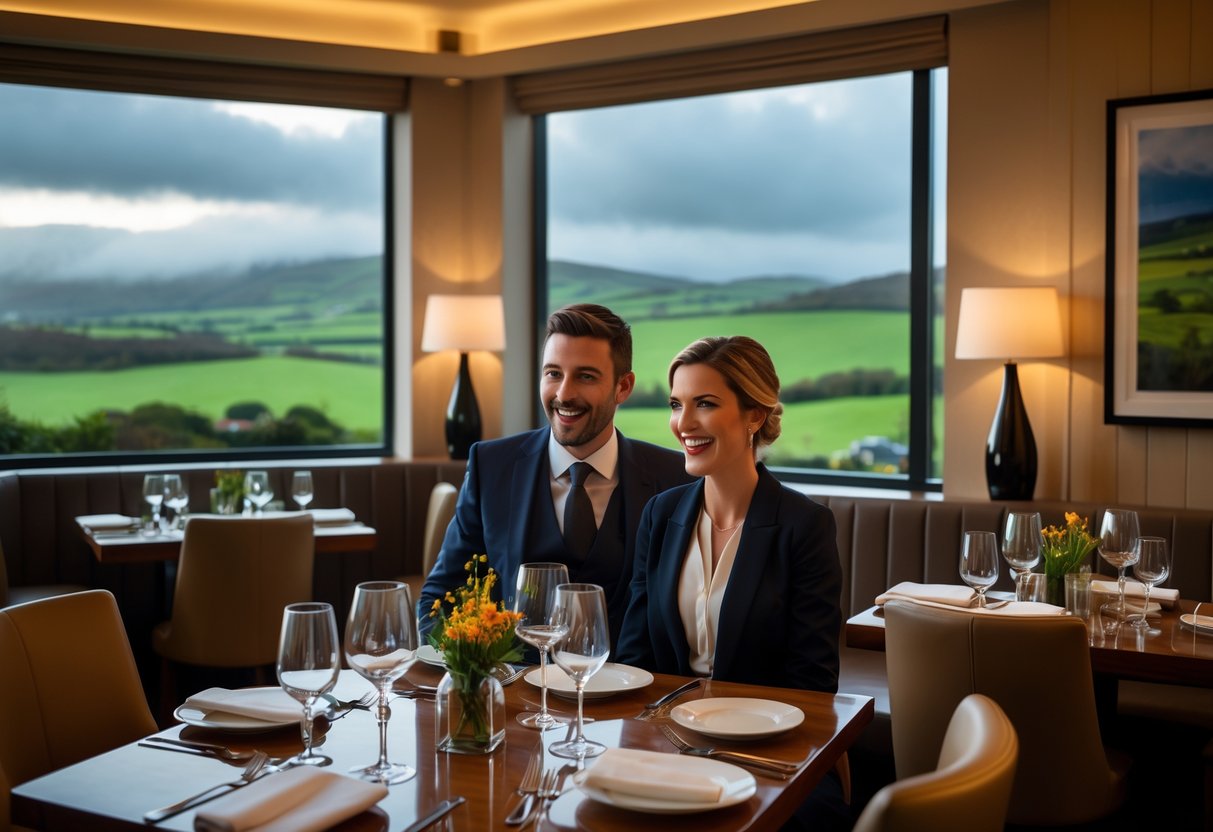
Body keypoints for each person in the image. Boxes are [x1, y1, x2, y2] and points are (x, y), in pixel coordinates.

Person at [615, 335, 846, 830]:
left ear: (754, 416)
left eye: (705, 404)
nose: (683, 423)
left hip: (770, 755)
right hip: (668, 747)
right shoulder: (660, 515)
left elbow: (813, 684)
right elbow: (634, 657)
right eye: (676, 404)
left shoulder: (805, 526)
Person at [418, 303, 691, 648]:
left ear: (623, 387)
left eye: (585, 376)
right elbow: (440, 597)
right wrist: (472, 668)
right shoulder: (491, 467)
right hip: (515, 681)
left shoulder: (675, 477)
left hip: (633, 682)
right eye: (553, 374)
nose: (564, 394)